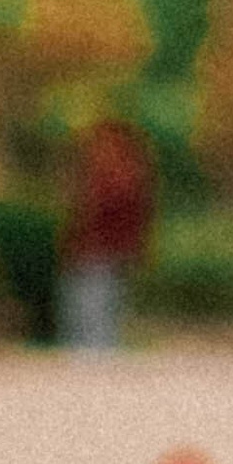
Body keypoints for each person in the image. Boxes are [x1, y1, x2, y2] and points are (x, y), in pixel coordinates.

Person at [54, 111, 157, 354]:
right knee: (86, 312)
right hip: (92, 254)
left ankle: (96, 361)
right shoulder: (113, 173)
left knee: (96, 313)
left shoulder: (121, 175)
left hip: (102, 254)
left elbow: (122, 214)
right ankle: (91, 359)